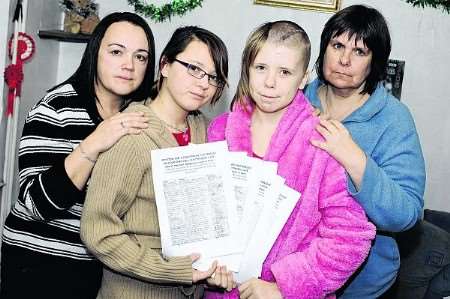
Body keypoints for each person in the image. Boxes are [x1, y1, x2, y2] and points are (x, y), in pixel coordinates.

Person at [206, 20, 376, 299]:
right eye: (261, 68)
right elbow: (206, 214)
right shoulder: (219, 130)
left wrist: (285, 287)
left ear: (304, 78)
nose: (270, 82)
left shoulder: (322, 140)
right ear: (247, 68)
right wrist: (209, 265)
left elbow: (350, 237)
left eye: (285, 72)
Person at [0, 12, 155, 299]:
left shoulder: (138, 115)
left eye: (140, 57)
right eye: (116, 51)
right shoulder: (55, 108)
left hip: (94, 269)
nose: (129, 65)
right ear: (95, 52)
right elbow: (37, 204)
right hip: (37, 264)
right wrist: (93, 143)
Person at [80, 26, 233, 299]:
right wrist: (172, 269)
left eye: (213, 77)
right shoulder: (131, 132)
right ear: (164, 65)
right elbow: (98, 232)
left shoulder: (209, 134)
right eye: (194, 69)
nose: (203, 84)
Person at [304, 5, 426, 298]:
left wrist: (353, 157)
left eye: (359, 52)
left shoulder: (393, 118)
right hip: (293, 267)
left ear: (375, 61)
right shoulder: (296, 100)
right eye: (337, 45)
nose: (344, 60)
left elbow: (408, 214)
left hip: (361, 281)